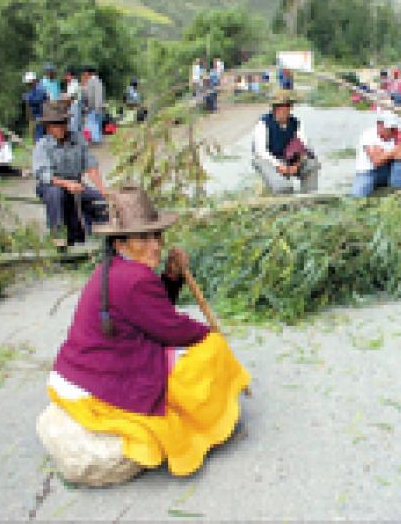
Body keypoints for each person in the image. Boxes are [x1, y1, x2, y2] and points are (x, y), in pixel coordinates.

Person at [42, 185, 250, 480]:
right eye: (143, 238)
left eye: (157, 236)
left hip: (79, 370)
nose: (155, 246)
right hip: (102, 377)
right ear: (120, 243)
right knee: (209, 350)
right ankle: (215, 424)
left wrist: (171, 276)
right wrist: (209, 335)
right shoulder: (134, 278)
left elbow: (150, 312)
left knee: (193, 348)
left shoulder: (114, 267)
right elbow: (171, 328)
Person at [32, 101, 108, 248]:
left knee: (100, 201)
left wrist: (102, 189)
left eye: (63, 123)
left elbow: (91, 165)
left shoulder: (78, 139)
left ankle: (103, 237)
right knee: (56, 193)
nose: (60, 127)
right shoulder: (42, 145)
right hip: (51, 185)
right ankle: (58, 234)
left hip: (76, 184)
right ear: (48, 127)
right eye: (56, 124)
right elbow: (44, 174)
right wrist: (67, 184)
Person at [252, 89, 320, 195]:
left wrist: (296, 165)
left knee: (312, 163)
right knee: (283, 187)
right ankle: (281, 192)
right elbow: (261, 151)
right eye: (280, 107)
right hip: (269, 160)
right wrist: (279, 166)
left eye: (287, 106)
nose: (284, 110)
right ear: (274, 108)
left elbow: (304, 147)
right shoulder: (263, 123)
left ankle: (308, 195)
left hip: (289, 159)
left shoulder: (296, 123)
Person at [350, 111, 401, 198]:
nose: (392, 131)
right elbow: (376, 161)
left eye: (393, 128)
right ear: (379, 125)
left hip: (387, 170)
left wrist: (383, 154)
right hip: (367, 172)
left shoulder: (398, 133)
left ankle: (397, 192)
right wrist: (396, 150)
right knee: (357, 196)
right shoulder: (368, 135)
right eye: (390, 128)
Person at [82, 66, 105, 145]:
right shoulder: (99, 81)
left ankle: (94, 140)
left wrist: (88, 106)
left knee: (91, 123)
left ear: (88, 73)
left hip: (93, 106)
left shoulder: (90, 81)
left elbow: (90, 96)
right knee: (97, 123)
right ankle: (97, 139)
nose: (84, 75)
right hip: (100, 106)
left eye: (84, 73)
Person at [23, 71, 47, 142]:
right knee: (37, 137)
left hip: (41, 116)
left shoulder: (39, 89)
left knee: (39, 138)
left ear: (34, 81)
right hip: (36, 117)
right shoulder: (33, 90)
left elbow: (39, 100)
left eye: (29, 83)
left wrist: (28, 98)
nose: (28, 85)